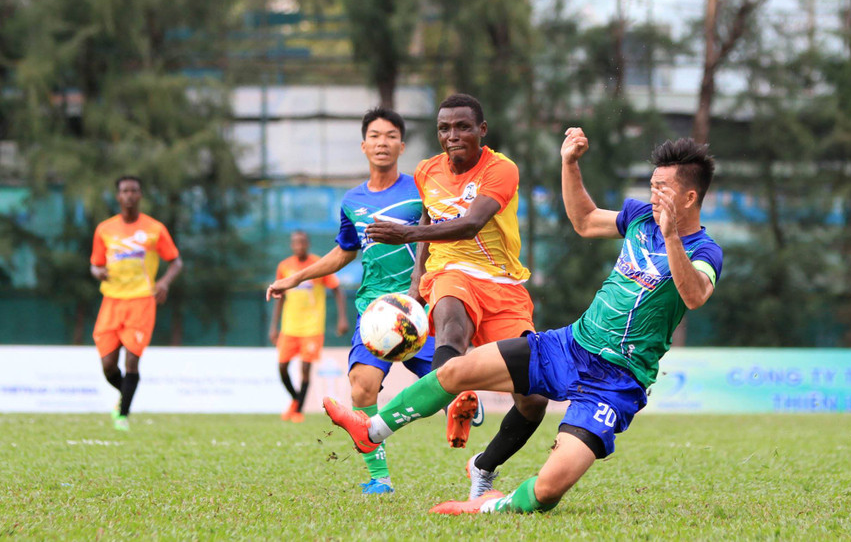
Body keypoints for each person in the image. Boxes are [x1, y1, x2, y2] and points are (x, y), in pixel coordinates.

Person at [325, 129, 723, 514]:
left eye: (662, 190)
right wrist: (569, 164)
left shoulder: (705, 250)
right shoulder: (639, 218)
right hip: (570, 346)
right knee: (456, 370)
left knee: (548, 490)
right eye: (651, 186)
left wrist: (672, 238)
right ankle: (371, 431)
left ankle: (487, 505)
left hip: (615, 381)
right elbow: (585, 220)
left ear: (689, 197)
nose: (653, 196)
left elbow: (695, 295)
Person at [364, 93, 548, 498]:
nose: (452, 135)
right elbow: (430, 222)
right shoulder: (427, 170)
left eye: (463, 127)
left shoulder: (501, 169)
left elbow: (471, 224)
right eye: (444, 128)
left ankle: (483, 466)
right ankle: (458, 398)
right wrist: (416, 287)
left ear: (482, 130)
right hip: (449, 271)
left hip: (502, 284)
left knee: (534, 398)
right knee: (451, 330)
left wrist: (404, 233)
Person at [266, 107, 435, 494]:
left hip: (420, 306)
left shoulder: (422, 189)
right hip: (375, 310)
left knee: (451, 382)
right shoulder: (352, 200)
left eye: (390, 136)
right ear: (363, 146)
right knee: (361, 386)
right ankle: (380, 478)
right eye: (375, 136)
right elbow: (344, 250)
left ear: (402, 145)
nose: (382, 142)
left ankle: (465, 414)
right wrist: (295, 277)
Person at [90, 175, 184, 432]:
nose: (129, 195)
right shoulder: (104, 229)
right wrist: (98, 272)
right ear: (118, 196)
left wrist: (164, 282)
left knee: (132, 360)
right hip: (112, 300)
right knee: (108, 365)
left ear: (140, 195)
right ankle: (125, 396)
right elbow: (95, 264)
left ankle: (122, 416)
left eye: (134, 191)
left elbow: (175, 261)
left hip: (141, 300)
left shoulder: (155, 229)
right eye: (125, 191)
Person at [269, 230, 348, 422]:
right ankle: (296, 401)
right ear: (291, 245)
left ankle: (297, 411)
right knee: (282, 367)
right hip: (289, 326)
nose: (299, 245)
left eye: (302, 242)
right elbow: (280, 297)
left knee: (305, 368)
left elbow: (337, 289)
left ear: (307, 244)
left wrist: (342, 318)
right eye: (296, 242)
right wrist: (274, 326)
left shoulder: (318, 264)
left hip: (312, 327)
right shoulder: (284, 266)